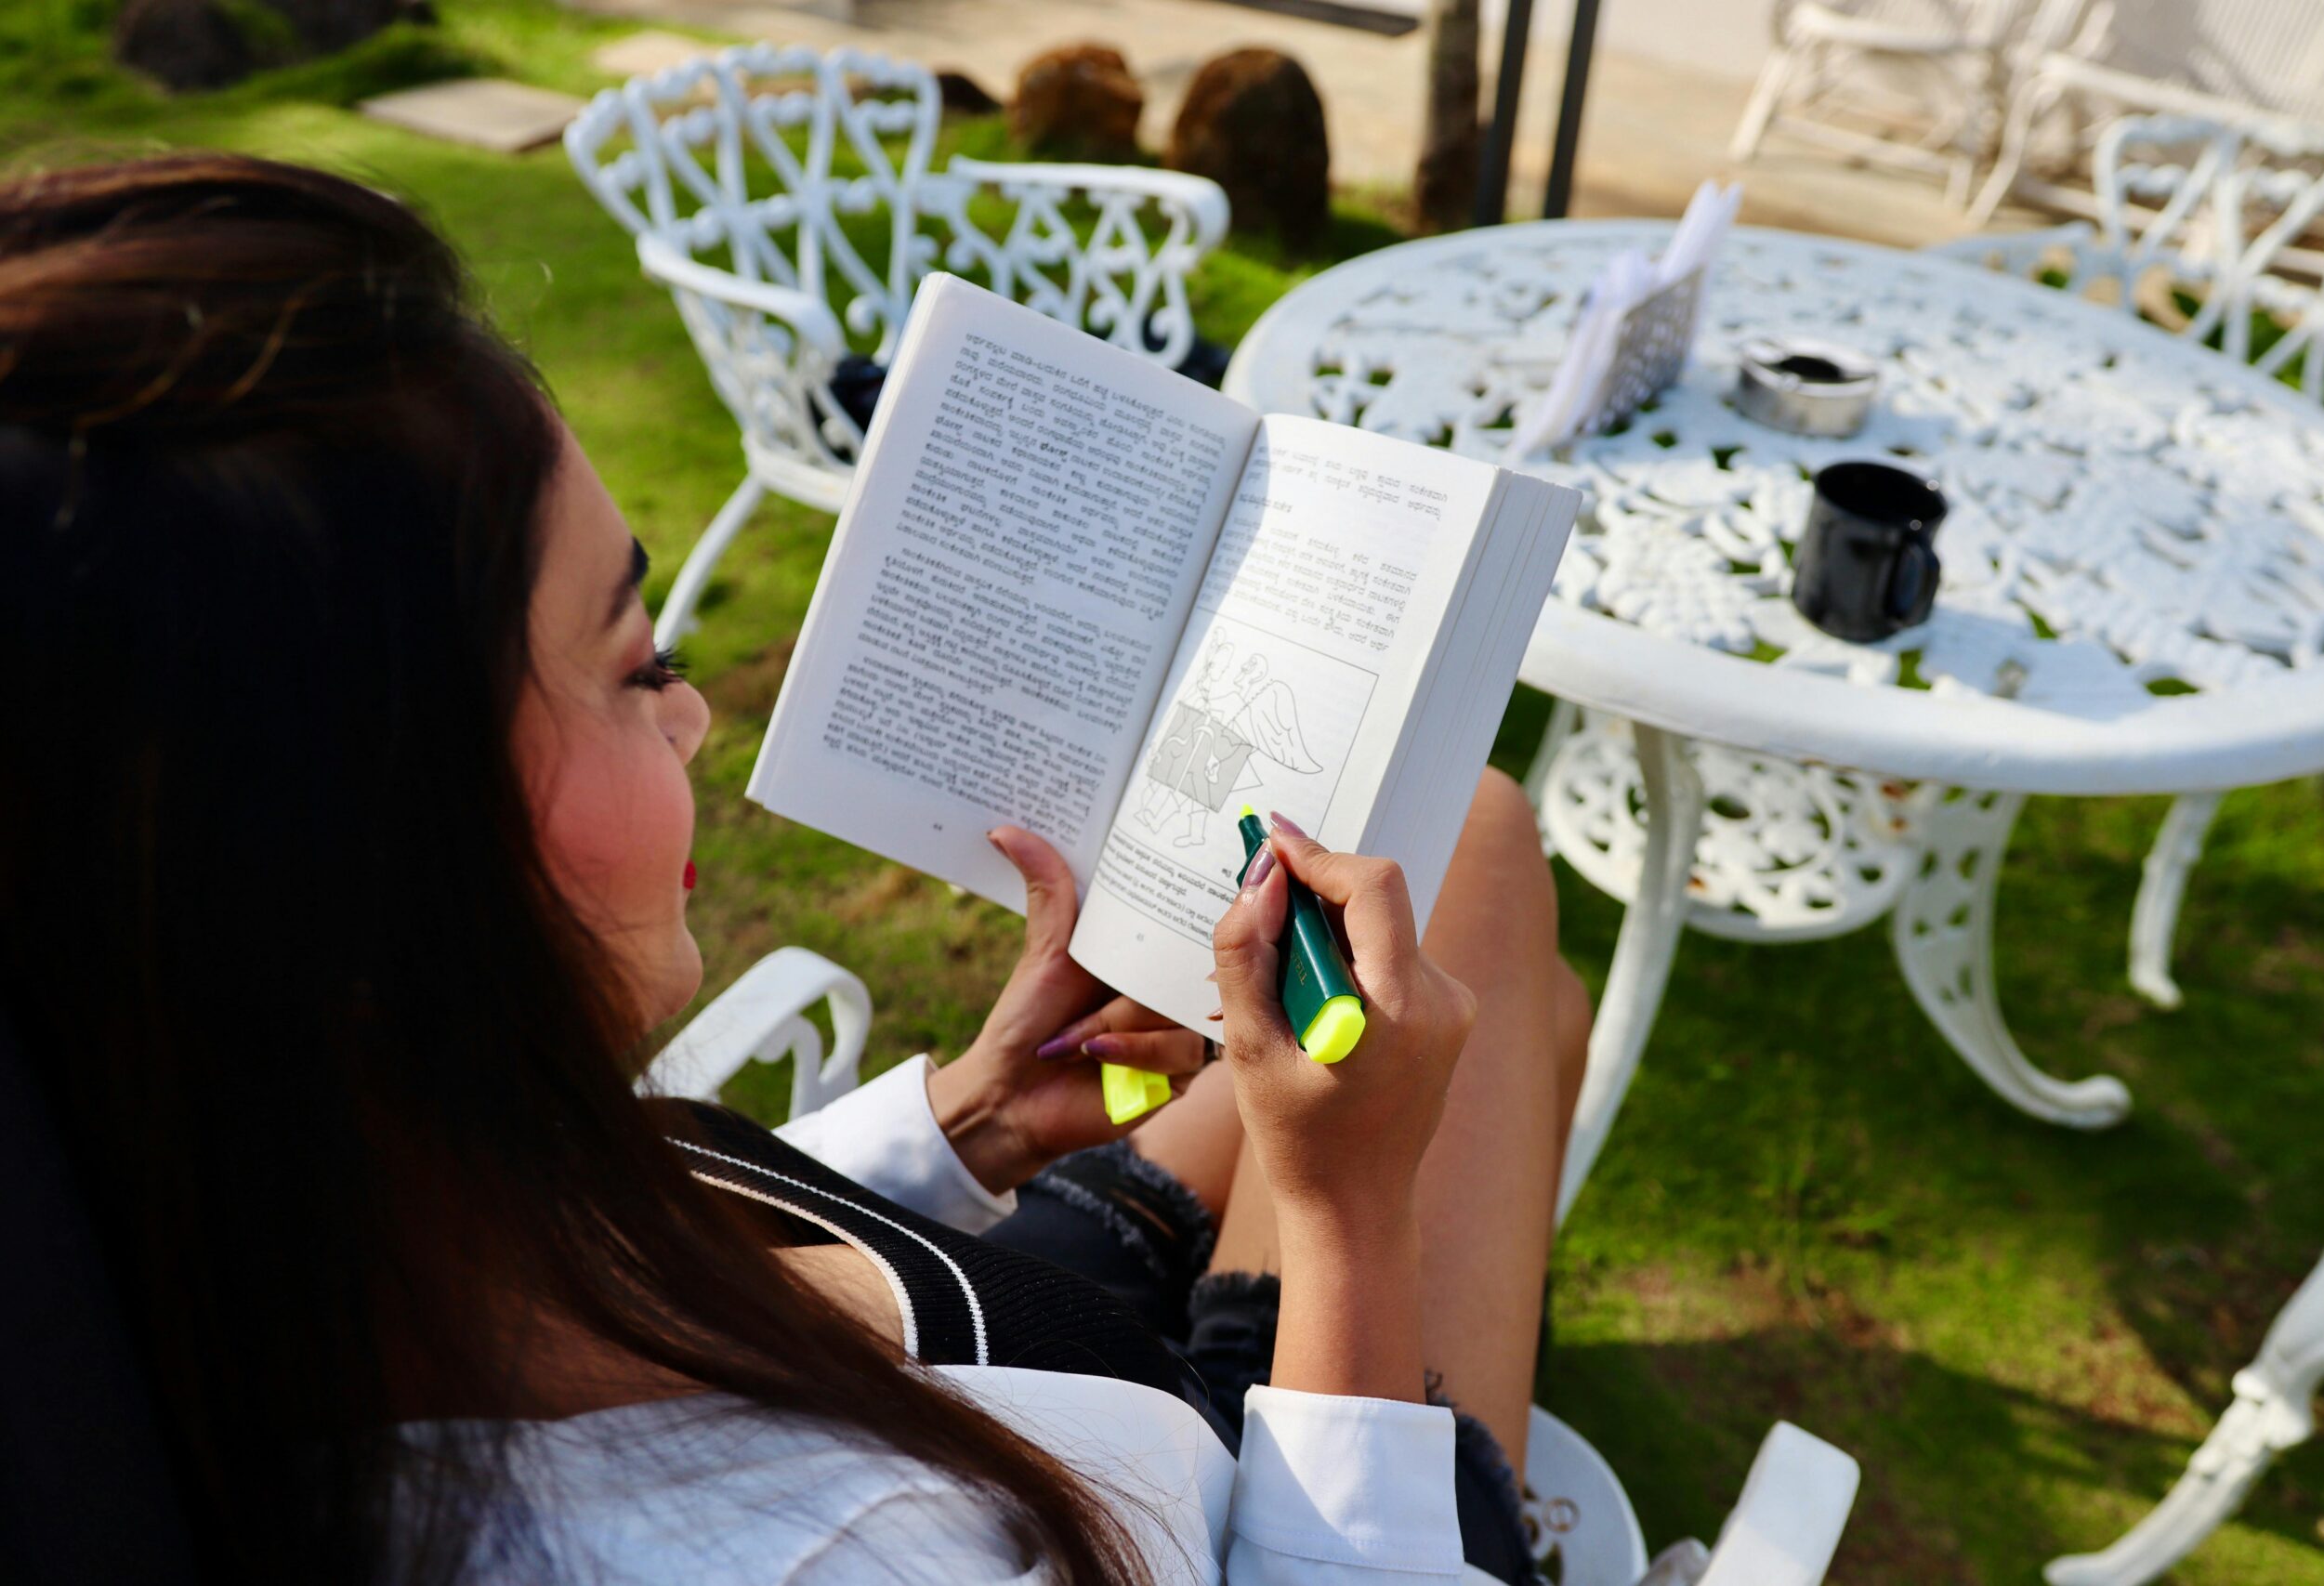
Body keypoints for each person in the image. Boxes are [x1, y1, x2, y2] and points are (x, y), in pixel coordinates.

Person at [0, 152, 1592, 1584]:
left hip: (972, 1294)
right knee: (1478, 883)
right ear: (377, 881)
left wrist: (967, 1119)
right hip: (1273, 1480)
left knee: (1449, 888)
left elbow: (635, 1245)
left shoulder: (234, 1205)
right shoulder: (821, 1554)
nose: (691, 712)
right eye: (636, 663)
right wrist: (1348, 1216)